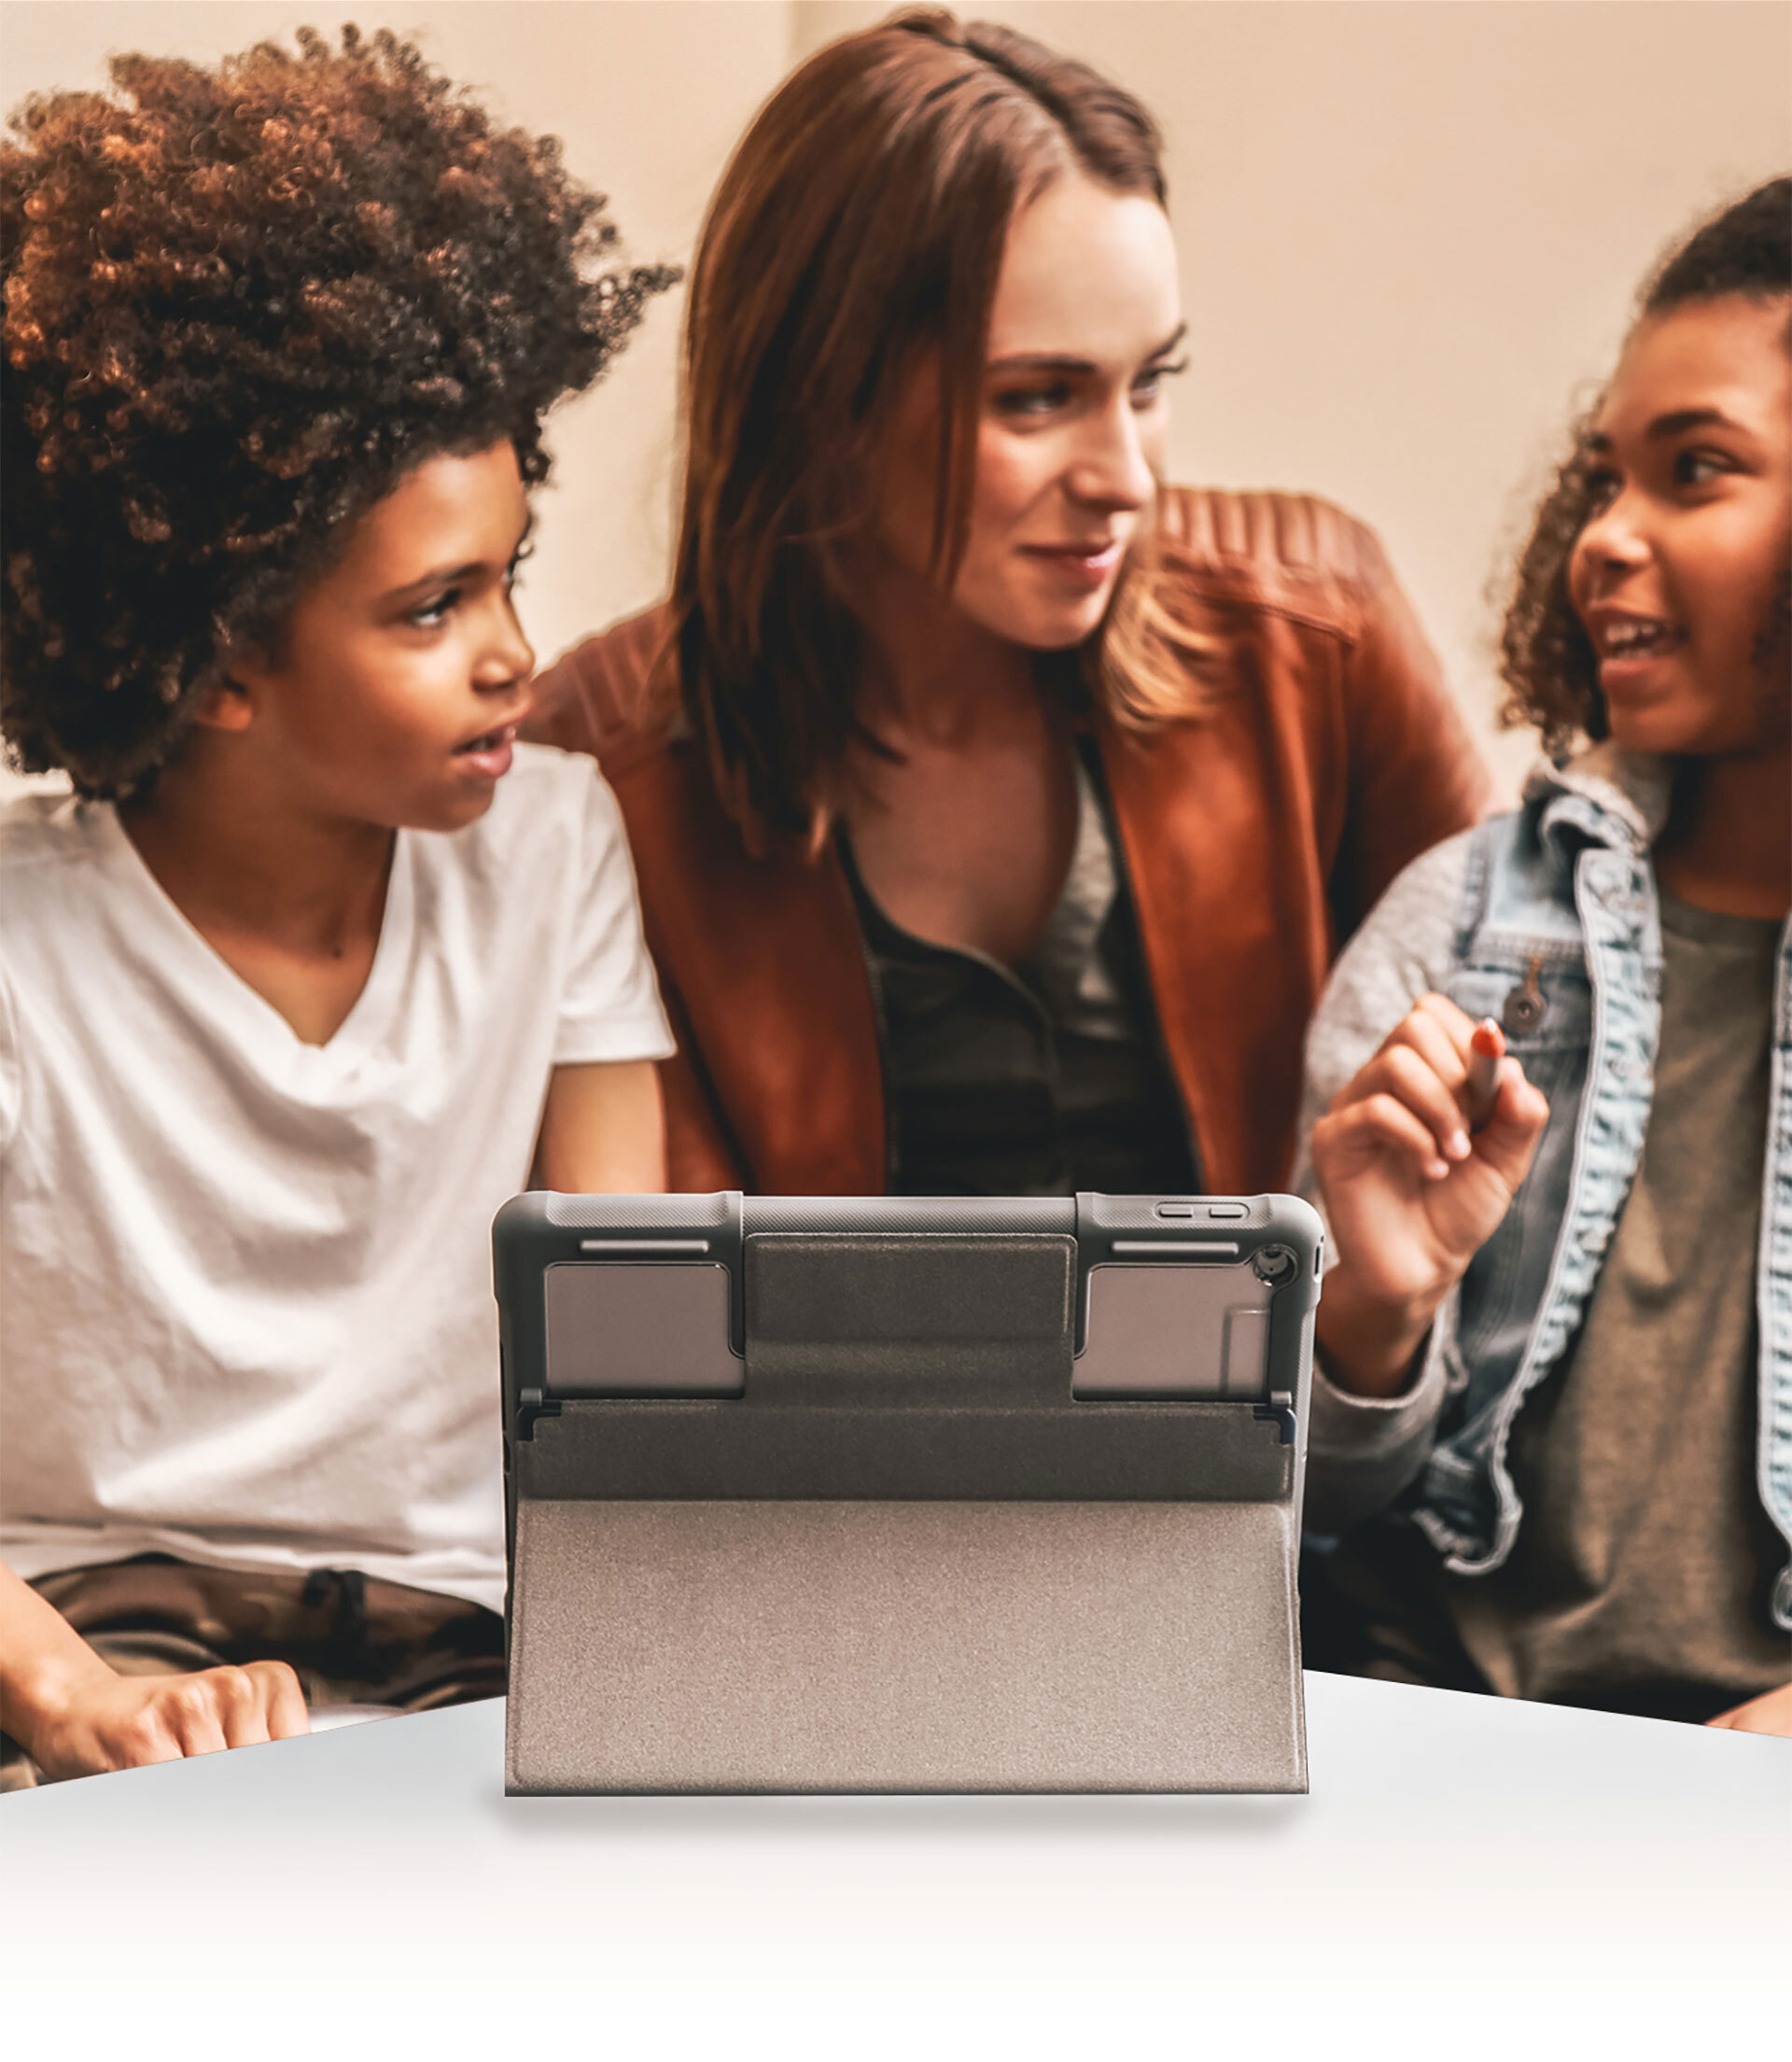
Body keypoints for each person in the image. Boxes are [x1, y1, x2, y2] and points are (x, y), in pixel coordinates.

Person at [0, 29, 678, 1784]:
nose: (517, 652)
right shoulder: (20, 947)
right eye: (433, 605)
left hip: (472, 1652)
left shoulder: (556, 848)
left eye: (510, 570)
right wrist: (81, 1703)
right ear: (222, 661)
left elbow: (629, 1352)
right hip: (82, 1646)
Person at [527, 8, 1489, 1199]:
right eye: (1038, 398)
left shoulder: (1321, 636)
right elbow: (660, 1329)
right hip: (824, 1396)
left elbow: (1505, 1154)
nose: (1126, 479)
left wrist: (1367, 1337)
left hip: (1307, 1389)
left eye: (1151, 383)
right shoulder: (594, 780)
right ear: (823, 396)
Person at [1297, 179, 1792, 1735]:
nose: (1603, 540)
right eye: (1605, 478)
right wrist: (1370, 1317)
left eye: (1694, 472)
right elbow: (1296, 1496)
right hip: (1449, 1757)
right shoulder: (1459, 925)